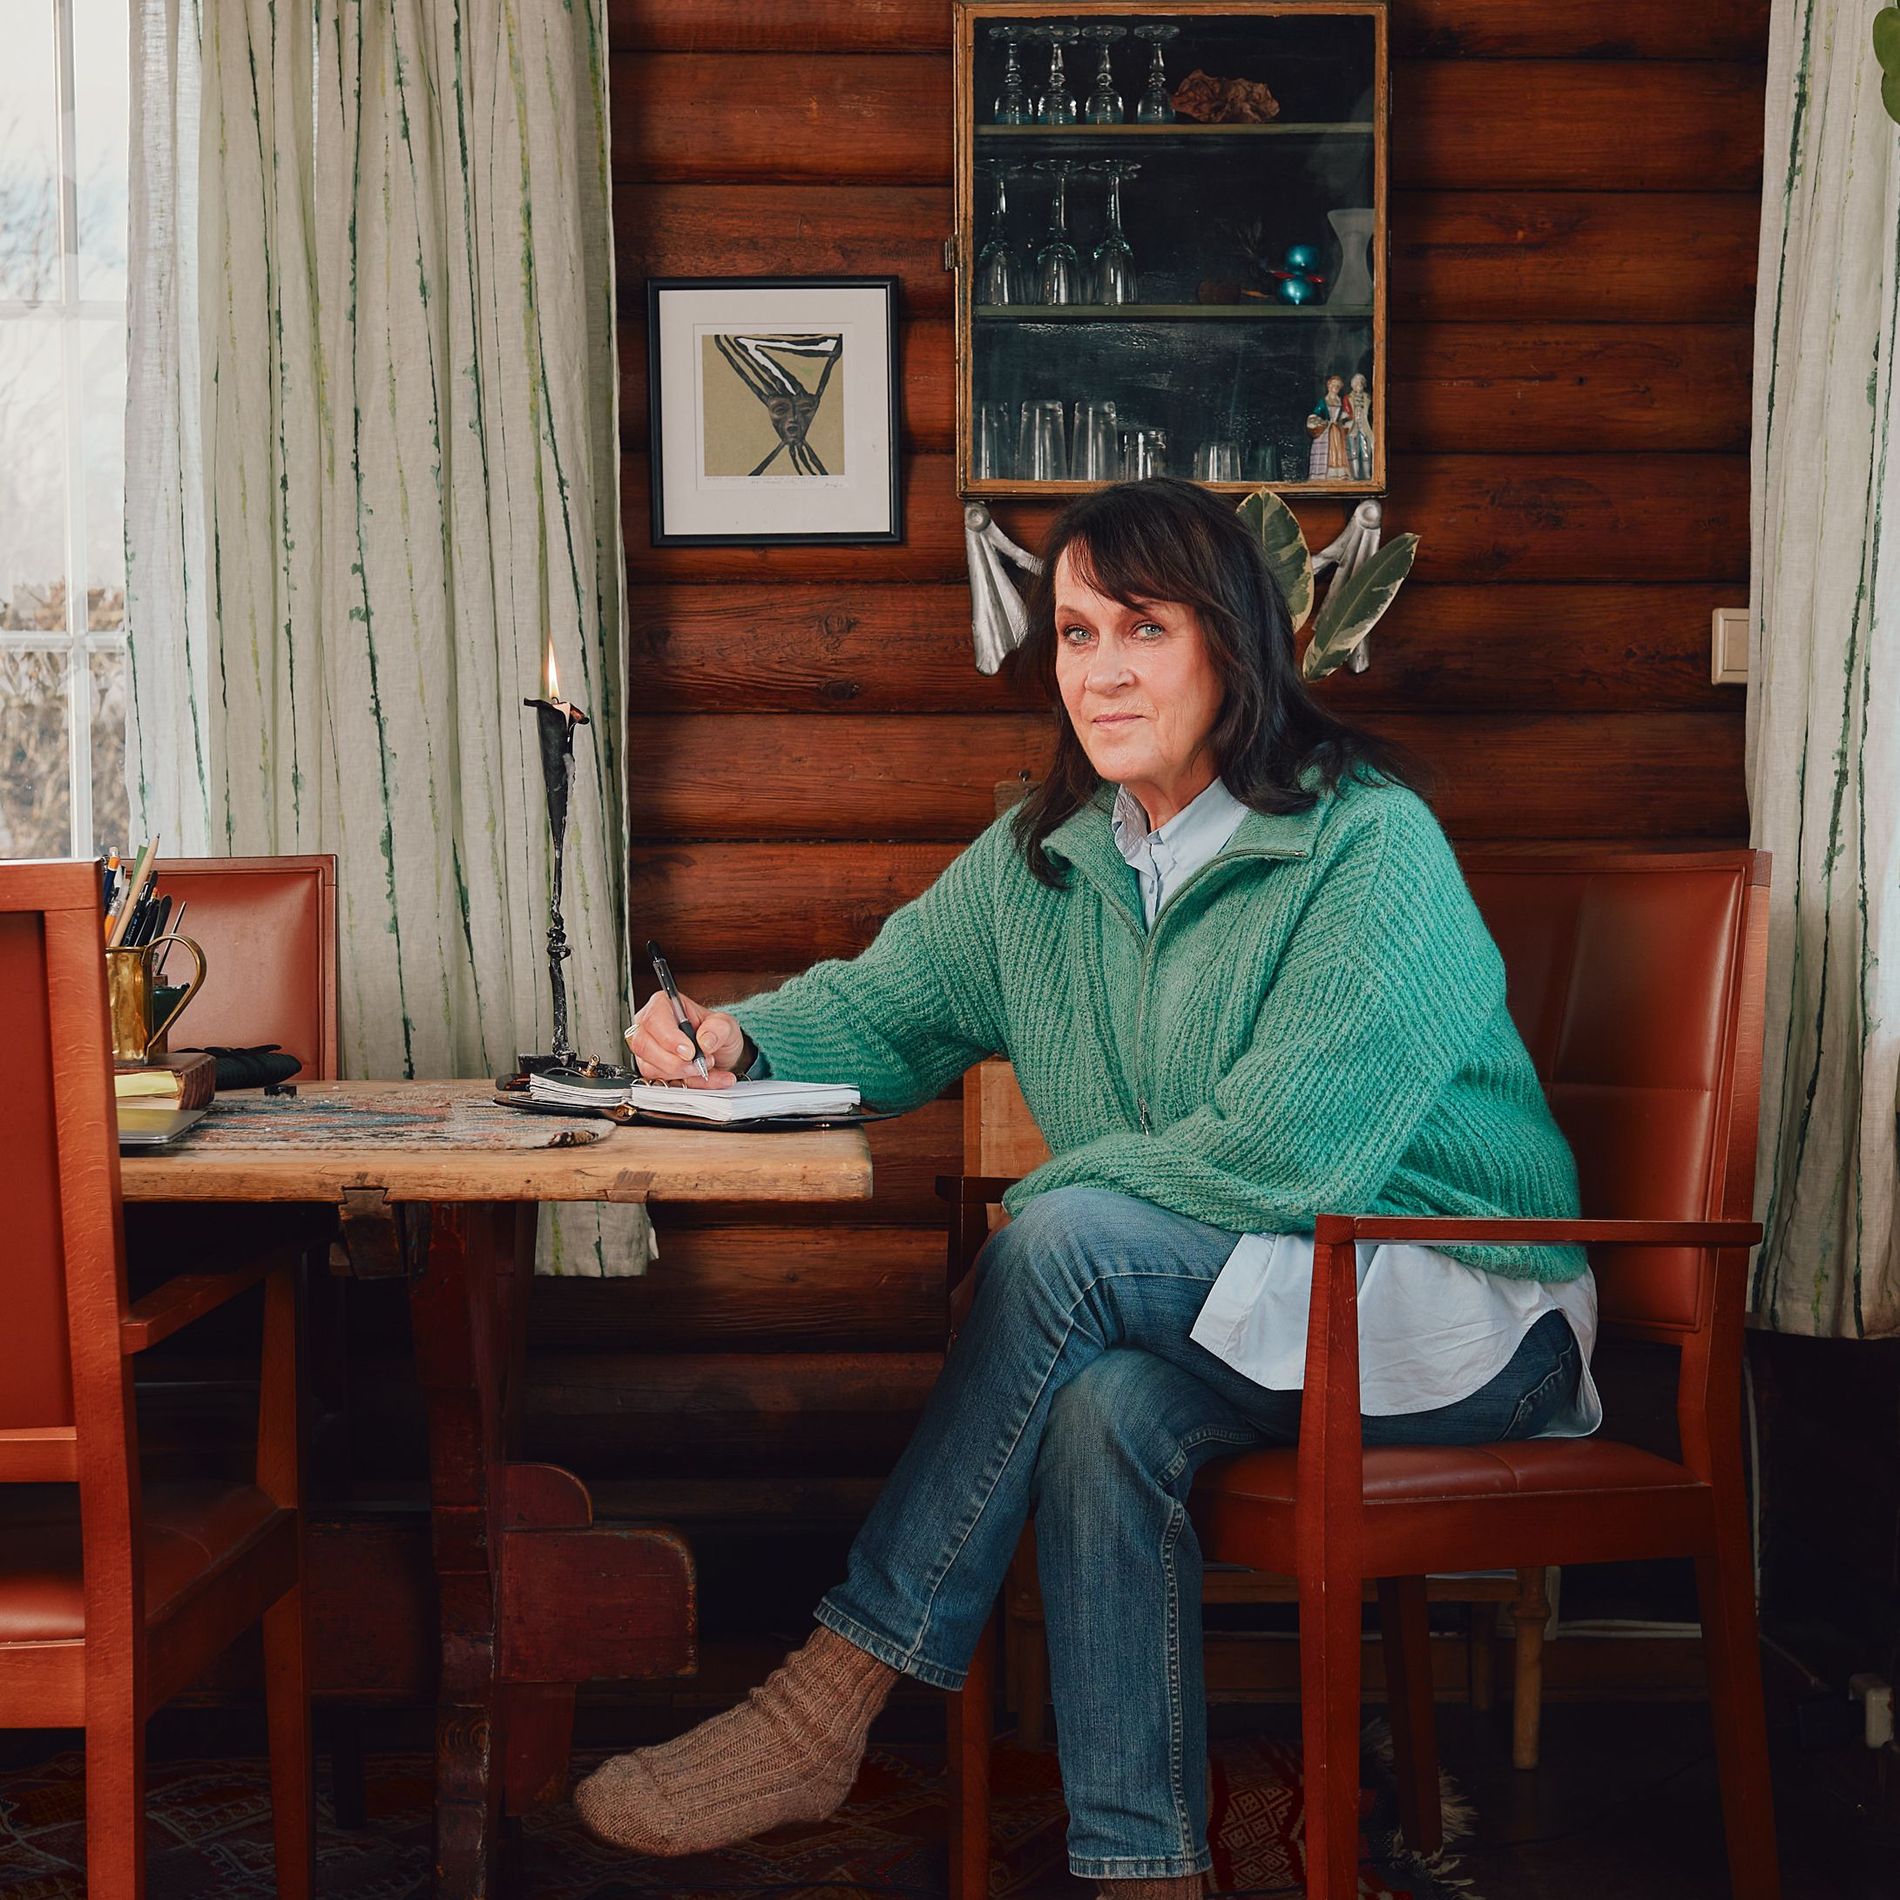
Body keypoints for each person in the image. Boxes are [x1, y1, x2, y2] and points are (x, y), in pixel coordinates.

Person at [581, 477, 1598, 1900]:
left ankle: (831, 1701)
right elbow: (888, 1006)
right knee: (1104, 1411)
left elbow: (1282, 1159)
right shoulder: (1047, 863)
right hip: (1250, 1300)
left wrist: (1053, 1211)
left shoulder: (1372, 848)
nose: (1100, 672)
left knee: (1058, 1248)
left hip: (1454, 1309)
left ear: (1232, 644)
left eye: (1142, 629)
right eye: (1071, 635)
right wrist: (738, 1036)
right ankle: (1145, 1872)